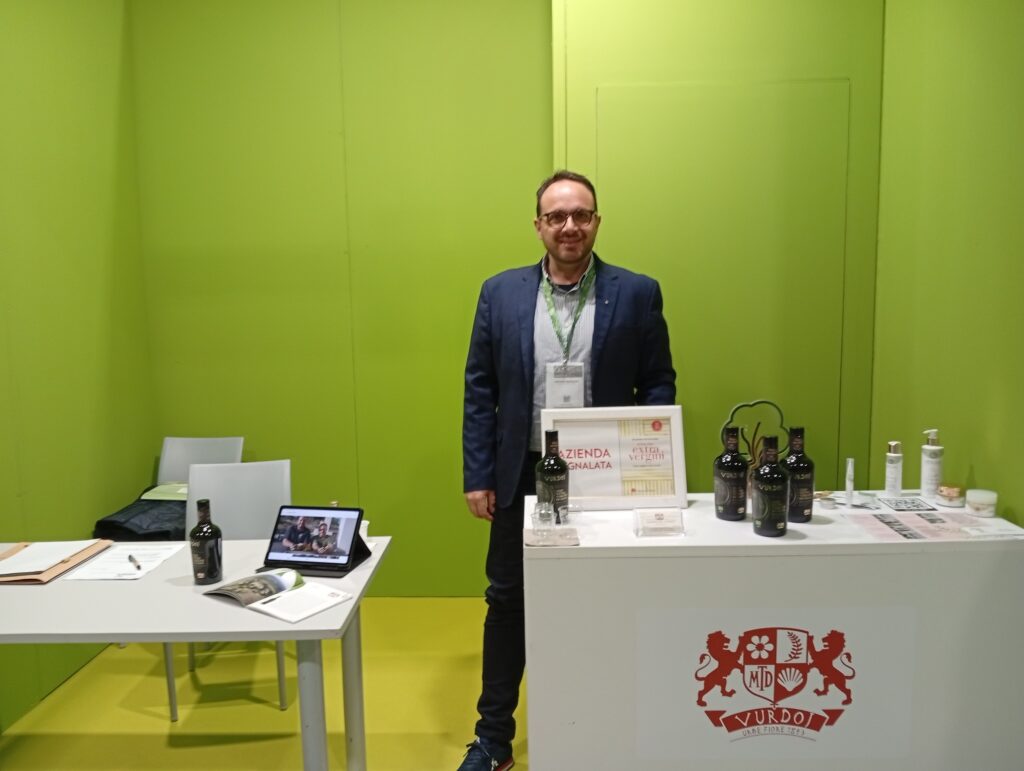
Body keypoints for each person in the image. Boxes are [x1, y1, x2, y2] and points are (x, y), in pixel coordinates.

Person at [459, 170, 676, 770]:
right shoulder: (499, 293)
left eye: (581, 214)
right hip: (521, 473)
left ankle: (605, 729)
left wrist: (650, 463)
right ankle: (493, 740)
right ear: (539, 226)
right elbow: (480, 390)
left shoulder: (638, 293)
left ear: (597, 221)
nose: (570, 226)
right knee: (508, 601)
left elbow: (658, 382)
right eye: (557, 216)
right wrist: (479, 474)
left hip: (603, 474)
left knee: (605, 596)